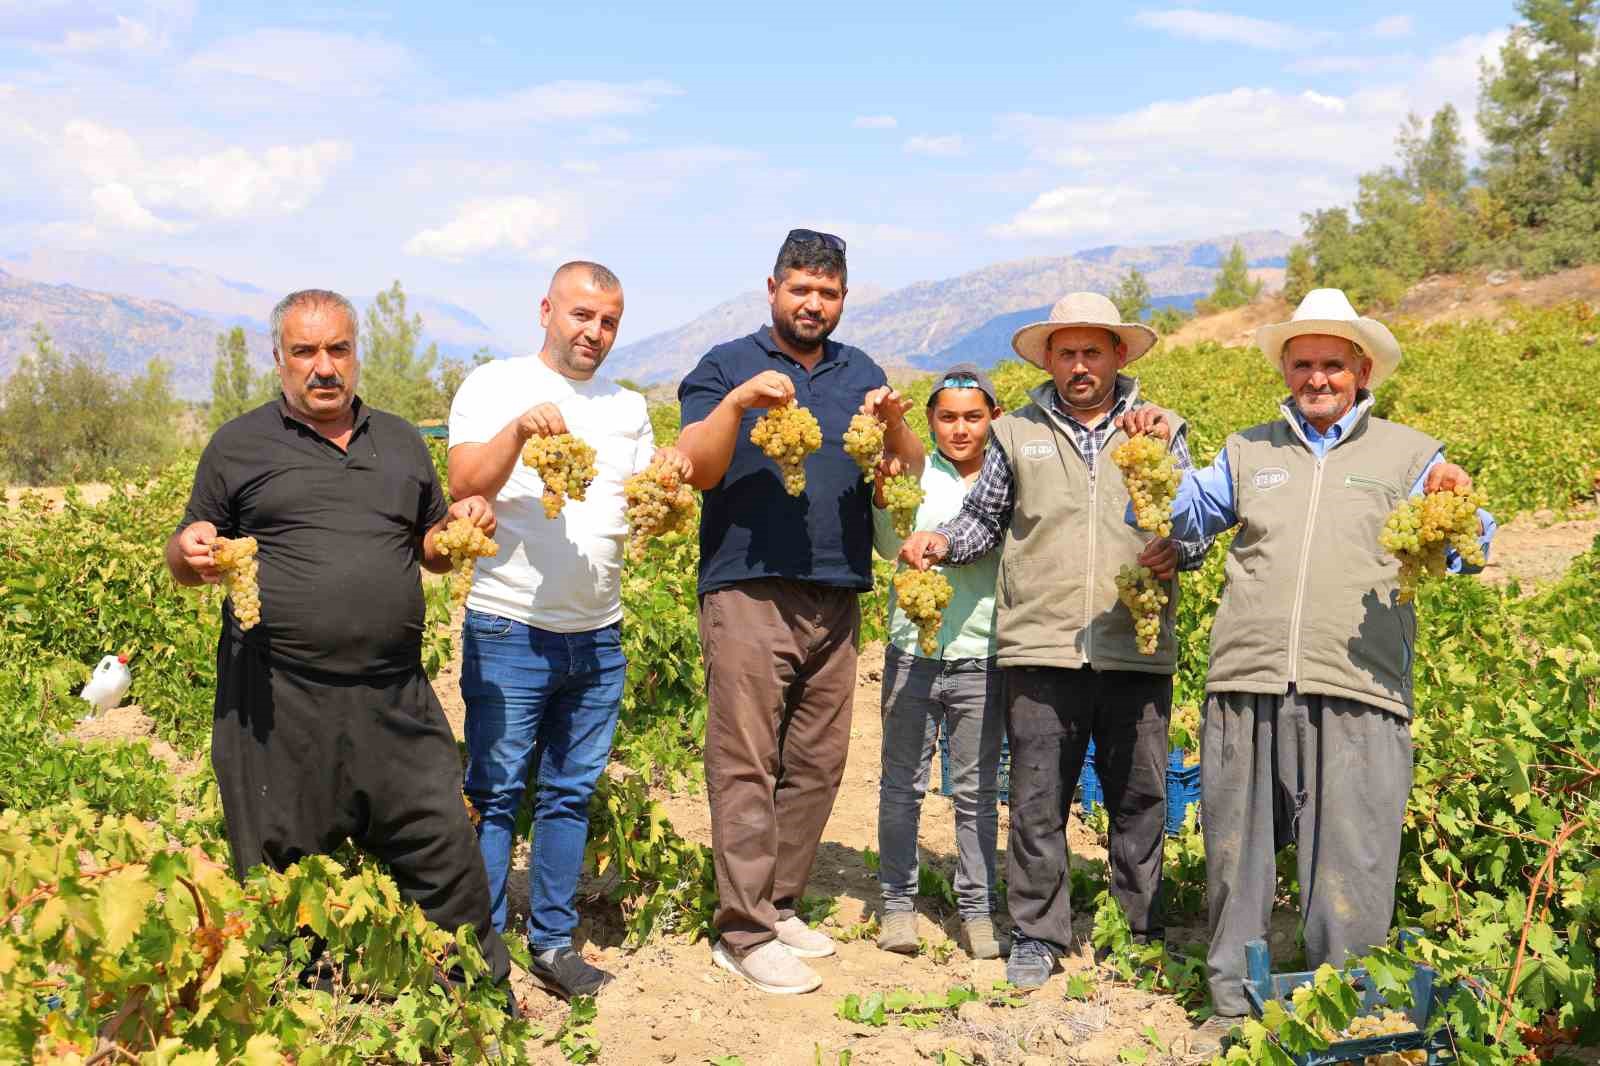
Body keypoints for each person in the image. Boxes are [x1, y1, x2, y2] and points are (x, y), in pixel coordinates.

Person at [1120, 287, 1497, 1028]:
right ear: (1285, 370)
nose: (1317, 378)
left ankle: (1349, 1013)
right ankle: (1231, 1008)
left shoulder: (1410, 453)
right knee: (1236, 857)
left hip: (1360, 682)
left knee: (1351, 862)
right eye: (1303, 364)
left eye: (1332, 364)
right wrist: (1155, 456)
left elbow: (1471, 543)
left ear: (1362, 371)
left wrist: (1459, 498)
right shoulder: (1248, 450)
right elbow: (1182, 514)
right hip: (1247, 676)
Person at [165, 287, 512, 996]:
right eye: (305, 352)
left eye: (338, 349)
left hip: (395, 694)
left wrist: (462, 526)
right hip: (278, 701)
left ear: (356, 354)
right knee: (286, 876)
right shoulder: (239, 444)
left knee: (442, 847)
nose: (323, 367)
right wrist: (190, 550)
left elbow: (433, 548)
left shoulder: (402, 441)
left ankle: (475, 1003)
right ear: (279, 359)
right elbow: (187, 550)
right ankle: (317, 1021)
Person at [900, 292, 1213, 990]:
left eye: (1092, 351)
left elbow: (1195, 522)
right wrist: (941, 541)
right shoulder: (1015, 432)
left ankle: (1139, 932)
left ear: (1118, 355)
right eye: (1065, 351)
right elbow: (985, 521)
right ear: (1048, 358)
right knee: (1040, 799)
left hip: (1135, 641)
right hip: (1040, 644)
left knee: (1140, 797)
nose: (1078, 365)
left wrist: (1177, 548)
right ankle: (1039, 934)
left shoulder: (1160, 430)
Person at [674, 229, 925, 995]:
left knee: (818, 760)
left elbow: (907, 471)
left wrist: (894, 422)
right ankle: (741, 931)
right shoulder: (726, 364)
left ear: (842, 298)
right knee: (747, 758)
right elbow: (696, 463)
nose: (813, 303)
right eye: (800, 289)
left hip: (838, 586)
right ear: (773, 288)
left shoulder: (862, 372)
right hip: (748, 585)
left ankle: (779, 904)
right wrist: (743, 402)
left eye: (828, 292)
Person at [446, 262, 690, 1000]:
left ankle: (550, 944)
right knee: (494, 792)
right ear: (548, 309)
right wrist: (520, 431)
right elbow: (464, 484)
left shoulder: (626, 407)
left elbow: (643, 499)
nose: (595, 332)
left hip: (598, 634)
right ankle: (480, 951)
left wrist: (671, 475)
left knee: (567, 794)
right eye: (582, 315)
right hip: (509, 627)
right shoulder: (494, 385)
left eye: (609, 321)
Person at [870, 364, 1009, 961]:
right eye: (948, 417)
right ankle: (896, 905)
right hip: (912, 651)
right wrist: (883, 501)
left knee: (977, 792)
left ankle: (977, 909)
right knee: (901, 787)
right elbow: (884, 544)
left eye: (972, 417)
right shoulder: (916, 475)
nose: (960, 428)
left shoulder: (1009, 481)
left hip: (984, 654)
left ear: (993, 421)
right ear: (931, 421)